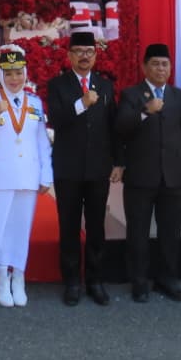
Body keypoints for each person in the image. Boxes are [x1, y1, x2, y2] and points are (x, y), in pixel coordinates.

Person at [116, 42, 181, 303]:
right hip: (140, 176)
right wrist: (145, 111)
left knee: (170, 232)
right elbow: (120, 127)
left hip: (173, 176)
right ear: (144, 67)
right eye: (155, 64)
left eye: (165, 64)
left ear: (170, 68)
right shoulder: (131, 95)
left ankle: (168, 279)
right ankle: (139, 281)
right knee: (138, 233)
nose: (160, 69)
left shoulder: (179, 96)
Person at [46, 30, 121, 306]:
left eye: (89, 52)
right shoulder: (58, 85)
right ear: (69, 56)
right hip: (68, 167)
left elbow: (113, 126)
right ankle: (71, 282)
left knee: (96, 226)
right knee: (68, 226)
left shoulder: (105, 85)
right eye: (78, 51)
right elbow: (56, 119)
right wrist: (81, 103)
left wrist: (118, 161)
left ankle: (95, 280)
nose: (84, 56)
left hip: (98, 168)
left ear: (96, 55)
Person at [0, 46, 52, 307]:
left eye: (18, 73)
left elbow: (42, 141)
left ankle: (18, 275)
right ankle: (1, 276)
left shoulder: (35, 103)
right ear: (0, 75)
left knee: (21, 226)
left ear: (25, 73)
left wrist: (46, 175)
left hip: (27, 174)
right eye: (8, 74)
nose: (14, 79)